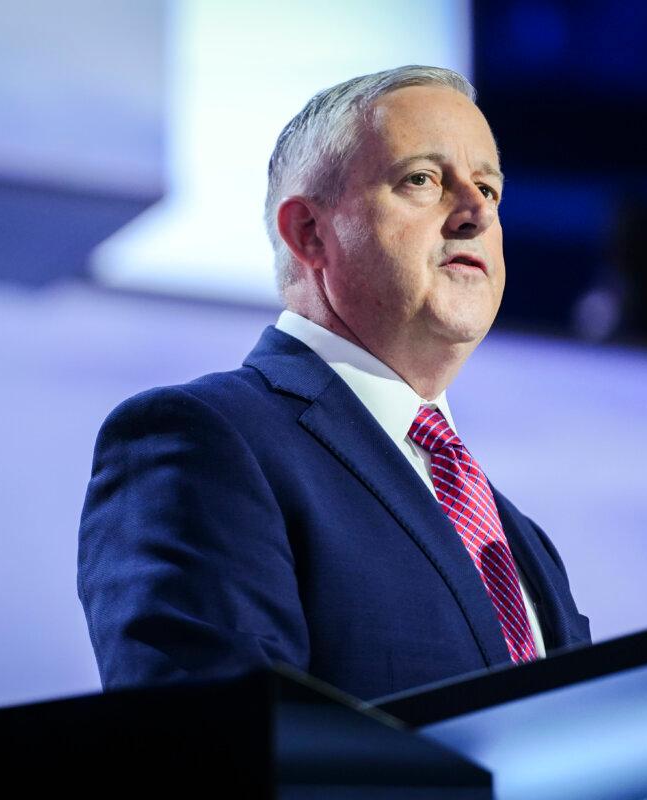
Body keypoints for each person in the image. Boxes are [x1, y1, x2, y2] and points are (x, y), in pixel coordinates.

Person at [78, 65, 591, 702]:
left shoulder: (519, 538)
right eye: (423, 179)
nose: (476, 213)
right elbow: (216, 739)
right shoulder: (202, 441)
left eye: (488, 188)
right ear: (309, 232)